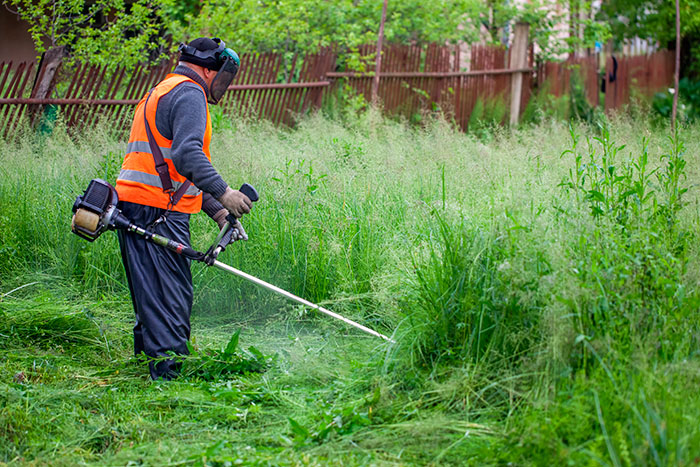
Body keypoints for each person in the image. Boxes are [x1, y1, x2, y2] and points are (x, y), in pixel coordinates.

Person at [115, 37, 250, 380]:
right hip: (157, 210)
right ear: (208, 69)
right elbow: (188, 155)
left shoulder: (162, 89)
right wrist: (225, 193)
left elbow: (173, 171)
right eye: (222, 75)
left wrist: (217, 212)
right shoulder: (190, 93)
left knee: (153, 290)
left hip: (139, 204)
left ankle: (147, 363)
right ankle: (171, 375)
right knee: (171, 294)